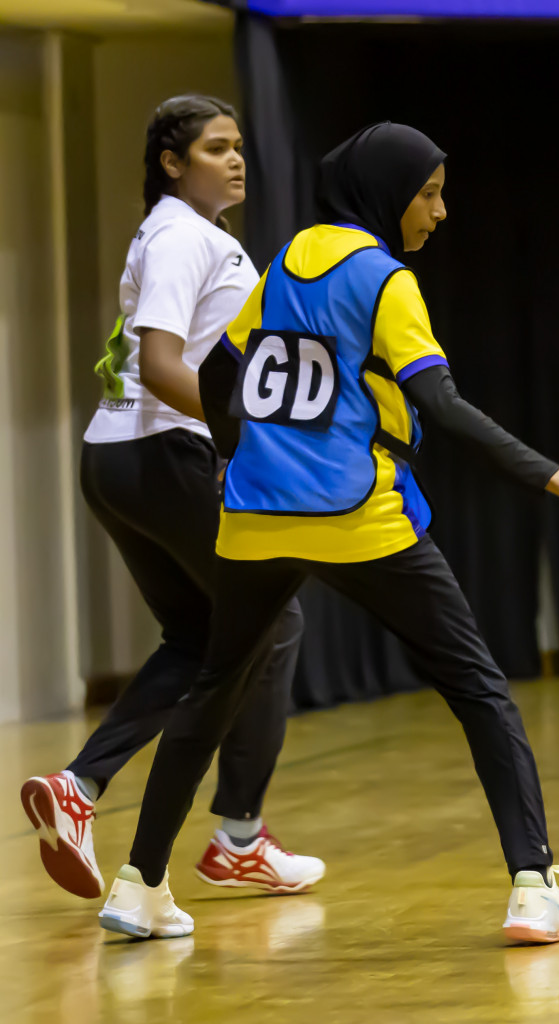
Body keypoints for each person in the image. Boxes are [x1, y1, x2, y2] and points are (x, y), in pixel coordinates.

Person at [96, 122, 559, 943]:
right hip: (356, 517)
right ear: (389, 193)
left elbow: (218, 372)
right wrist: (553, 475)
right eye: (429, 193)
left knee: (214, 687)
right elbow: (442, 404)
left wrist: (243, 453)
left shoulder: (282, 262)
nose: (440, 211)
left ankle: (138, 887)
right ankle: (534, 888)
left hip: (256, 516)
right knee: (480, 689)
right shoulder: (385, 279)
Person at [21, 95, 323, 904]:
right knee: (275, 618)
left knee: (197, 635)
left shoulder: (186, 235)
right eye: (215, 147)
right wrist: (245, 440)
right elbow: (158, 365)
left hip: (119, 459)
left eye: (239, 147)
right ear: (170, 162)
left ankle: (80, 789)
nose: (235, 159)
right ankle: (238, 837)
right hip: (159, 454)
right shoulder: (183, 236)